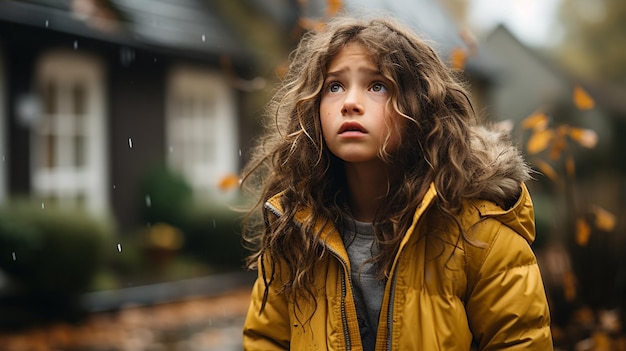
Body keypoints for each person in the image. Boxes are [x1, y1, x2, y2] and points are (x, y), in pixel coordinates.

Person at [240, 15, 553, 350]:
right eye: (334, 86)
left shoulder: (479, 231)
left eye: (377, 85)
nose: (349, 103)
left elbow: (520, 342)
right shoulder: (296, 229)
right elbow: (267, 339)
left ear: (420, 107)